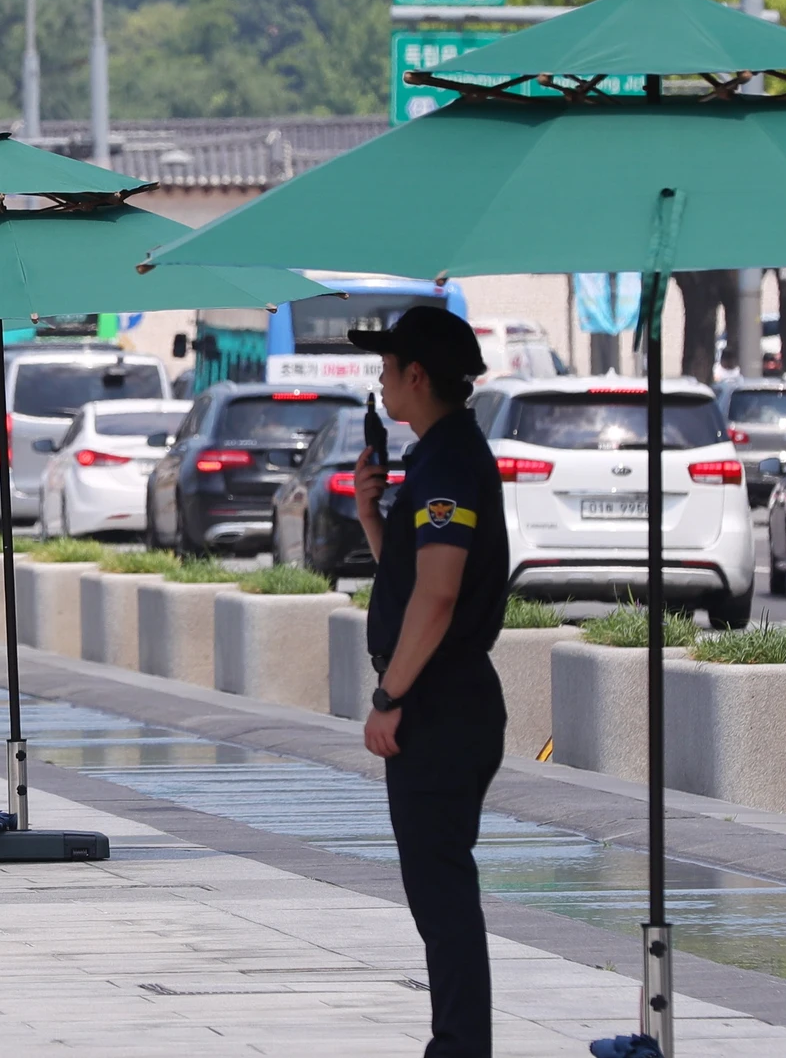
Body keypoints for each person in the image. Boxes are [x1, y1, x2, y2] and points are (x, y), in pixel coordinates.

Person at [350, 306, 508, 1058]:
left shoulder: (448, 463)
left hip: (440, 704)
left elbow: (439, 597)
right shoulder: (438, 457)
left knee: (442, 895)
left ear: (418, 375)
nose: (380, 385)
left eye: (387, 370)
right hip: (442, 695)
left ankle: (458, 1047)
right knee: (438, 892)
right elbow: (413, 581)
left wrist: (391, 698)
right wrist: (371, 515)